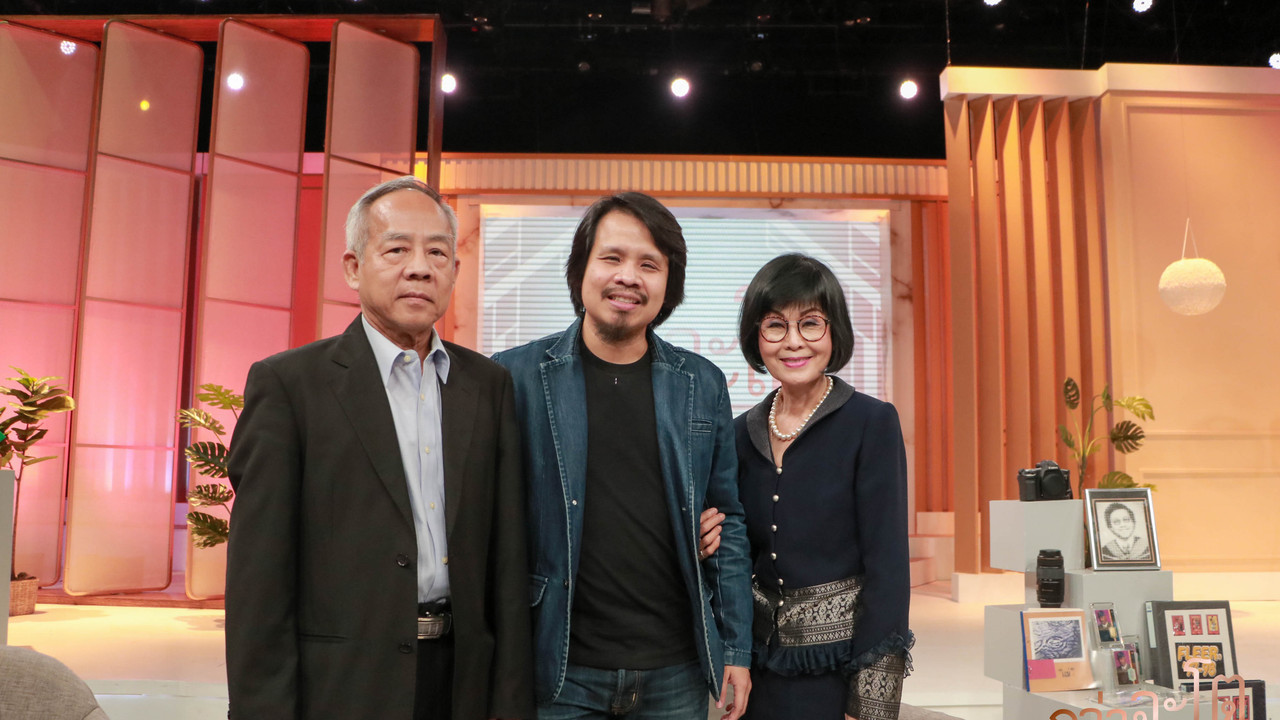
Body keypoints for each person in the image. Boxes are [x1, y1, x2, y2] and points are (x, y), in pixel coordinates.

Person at [225, 176, 533, 720]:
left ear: (454, 271)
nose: (420, 268)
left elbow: (506, 562)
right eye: (396, 250)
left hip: (462, 683)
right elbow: (259, 580)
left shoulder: (488, 386)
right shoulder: (290, 386)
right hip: (343, 686)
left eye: (437, 253)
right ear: (353, 267)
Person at [492, 192, 753, 720]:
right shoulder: (514, 377)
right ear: (581, 270)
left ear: (669, 284)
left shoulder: (701, 383)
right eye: (611, 257)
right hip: (558, 665)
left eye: (649, 264)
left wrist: (736, 648)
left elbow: (728, 522)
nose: (628, 277)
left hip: (675, 669)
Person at [701, 253, 913, 720]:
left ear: (834, 331)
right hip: (758, 672)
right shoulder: (739, 434)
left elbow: (889, 571)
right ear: (756, 337)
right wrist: (702, 542)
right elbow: (736, 552)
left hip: (838, 672)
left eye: (811, 323)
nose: (794, 341)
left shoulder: (871, 423)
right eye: (775, 326)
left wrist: (869, 703)